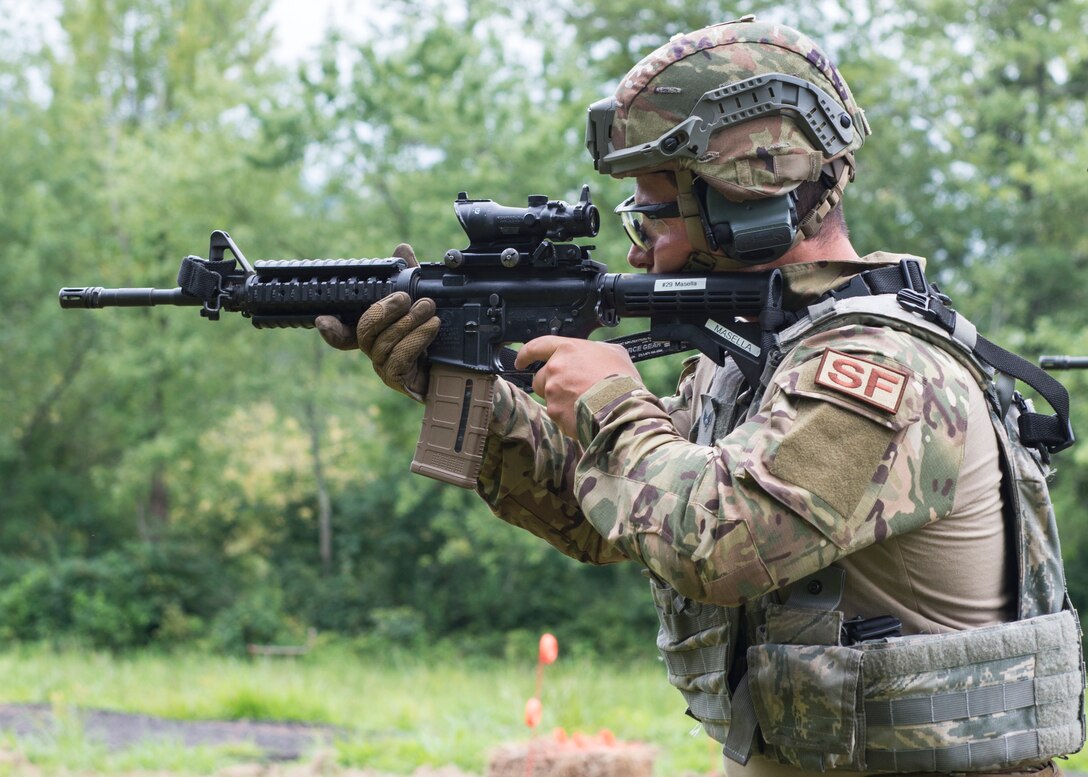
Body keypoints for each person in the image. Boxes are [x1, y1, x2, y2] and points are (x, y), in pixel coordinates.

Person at [316, 17, 1085, 777]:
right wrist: (459, 384)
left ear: (746, 199)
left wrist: (614, 400)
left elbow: (717, 543)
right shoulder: (760, 358)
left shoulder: (881, 371)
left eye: (653, 211)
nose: (635, 245)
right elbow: (607, 517)